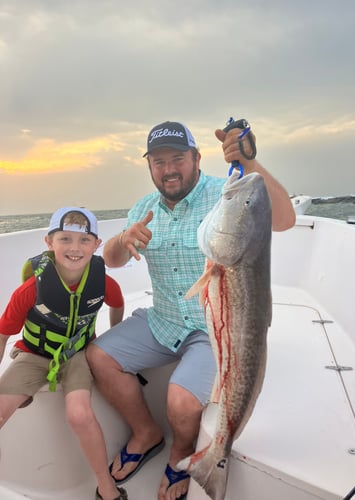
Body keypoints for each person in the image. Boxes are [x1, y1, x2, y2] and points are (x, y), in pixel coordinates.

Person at [86, 120, 296, 500]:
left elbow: (283, 219)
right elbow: (112, 261)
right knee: (98, 357)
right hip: (162, 320)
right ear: (150, 167)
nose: (169, 169)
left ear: (197, 158)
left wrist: (249, 162)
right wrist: (122, 238)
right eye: (159, 161)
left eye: (178, 158)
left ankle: (182, 451)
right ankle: (147, 432)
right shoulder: (143, 207)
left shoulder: (226, 192)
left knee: (181, 402)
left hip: (214, 330)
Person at [0, 207, 128, 500]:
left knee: (80, 414)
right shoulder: (31, 289)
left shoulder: (103, 282)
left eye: (84, 240)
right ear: (49, 242)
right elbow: (3, 332)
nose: (74, 248)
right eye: (65, 239)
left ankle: (105, 486)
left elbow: (117, 303)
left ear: (97, 245)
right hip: (32, 355)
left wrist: (110, 337)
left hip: (75, 356)